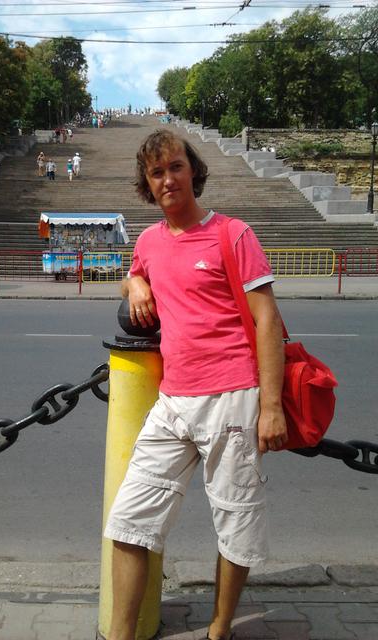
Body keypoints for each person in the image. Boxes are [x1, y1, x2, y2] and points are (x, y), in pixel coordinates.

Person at [104, 129, 287, 640]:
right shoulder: (148, 241)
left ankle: (219, 629)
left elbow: (267, 320)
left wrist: (271, 406)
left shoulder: (233, 234)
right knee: (128, 522)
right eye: (156, 172)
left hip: (233, 399)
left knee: (235, 525)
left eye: (175, 167)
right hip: (172, 402)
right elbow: (133, 274)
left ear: (193, 171)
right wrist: (133, 282)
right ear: (147, 183)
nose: (168, 179)